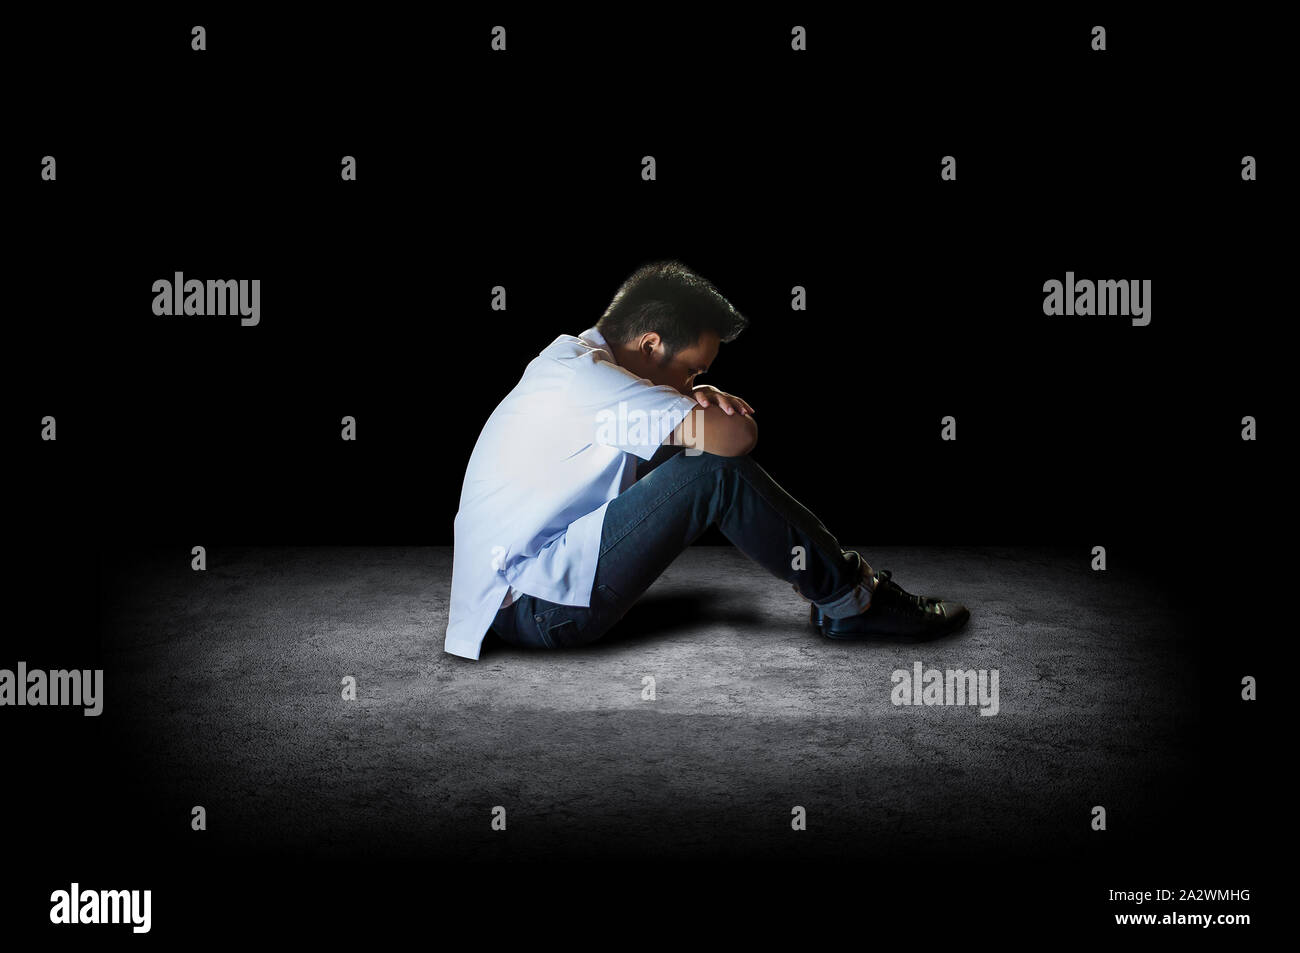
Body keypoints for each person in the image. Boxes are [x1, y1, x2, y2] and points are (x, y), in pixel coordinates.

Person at [443, 260, 970, 659]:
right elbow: (737, 438)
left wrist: (687, 395)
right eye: (694, 371)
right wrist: (699, 403)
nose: (695, 384)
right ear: (650, 344)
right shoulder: (589, 380)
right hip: (538, 610)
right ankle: (854, 600)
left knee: (687, 452)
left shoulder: (572, 365)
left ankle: (848, 593)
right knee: (714, 469)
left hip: (507, 604)